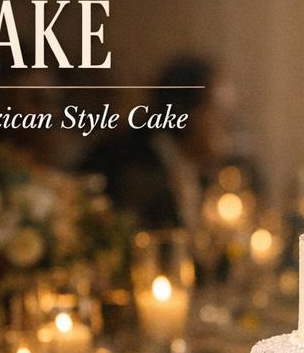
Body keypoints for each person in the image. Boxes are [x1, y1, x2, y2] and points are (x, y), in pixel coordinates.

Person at [80, 54, 235, 228]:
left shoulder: (202, 174)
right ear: (189, 111)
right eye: (220, 115)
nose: (227, 129)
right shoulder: (131, 166)